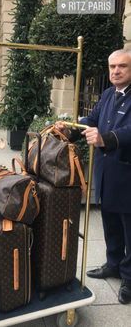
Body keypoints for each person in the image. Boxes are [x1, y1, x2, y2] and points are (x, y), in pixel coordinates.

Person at [56, 49, 131, 305]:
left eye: (122, 66)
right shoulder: (109, 93)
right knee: (109, 221)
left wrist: (105, 139)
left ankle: (129, 279)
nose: (116, 71)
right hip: (106, 171)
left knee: (129, 228)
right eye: (112, 67)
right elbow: (93, 119)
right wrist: (72, 129)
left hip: (127, 174)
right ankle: (113, 264)